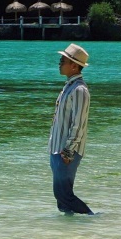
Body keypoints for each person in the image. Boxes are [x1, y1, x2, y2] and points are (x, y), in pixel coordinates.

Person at [48, 43, 93, 215]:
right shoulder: (69, 86)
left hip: (66, 151)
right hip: (57, 148)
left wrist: (68, 152)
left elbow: (78, 123)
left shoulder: (79, 90)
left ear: (74, 66)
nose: (59, 63)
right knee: (62, 201)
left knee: (63, 194)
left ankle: (92, 218)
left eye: (63, 61)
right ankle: (69, 228)